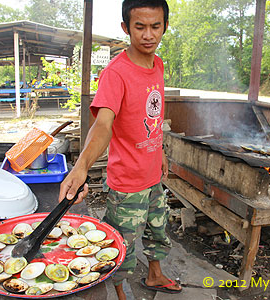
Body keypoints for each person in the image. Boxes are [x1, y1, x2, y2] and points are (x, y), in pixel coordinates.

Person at [58, 0, 182, 299]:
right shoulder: (115, 73)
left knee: (158, 231)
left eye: (156, 26)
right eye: (140, 27)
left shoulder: (158, 64)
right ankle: (120, 294)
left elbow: (150, 118)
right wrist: (81, 167)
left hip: (153, 174)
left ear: (165, 26)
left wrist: (160, 151)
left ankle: (154, 275)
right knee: (121, 246)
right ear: (126, 28)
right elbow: (102, 125)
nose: (148, 35)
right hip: (127, 183)